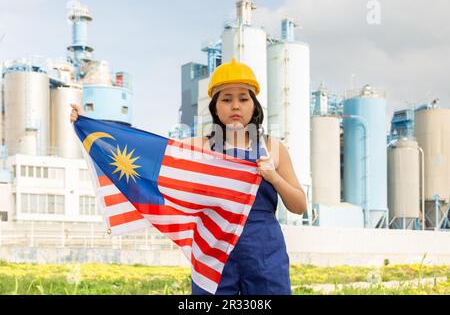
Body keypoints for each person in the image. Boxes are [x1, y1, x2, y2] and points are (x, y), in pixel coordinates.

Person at [69, 58, 307, 295]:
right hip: (214, 248)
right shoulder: (198, 147)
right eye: (226, 99)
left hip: (264, 248)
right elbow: (146, 157)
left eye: (243, 99)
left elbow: (299, 206)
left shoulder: (272, 148)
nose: (236, 106)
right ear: (215, 106)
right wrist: (89, 124)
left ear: (254, 105)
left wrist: (273, 177)